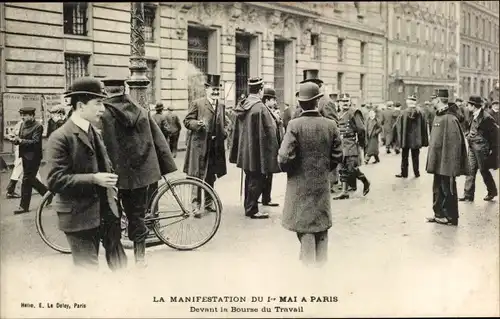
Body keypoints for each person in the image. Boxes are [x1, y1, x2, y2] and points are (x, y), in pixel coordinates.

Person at [46, 77, 127, 270]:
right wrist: (94, 179)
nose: (103, 109)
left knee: (120, 266)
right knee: (87, 272)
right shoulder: (60, 137)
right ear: (81, 106)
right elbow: (54, 180)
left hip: (106, 213)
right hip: (78, 218)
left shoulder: (94, 131)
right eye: (98, 103)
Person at [99, 77, 177, 266]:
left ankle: (118, 260)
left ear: (106, 91)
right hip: (140, 175)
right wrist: (166, 165)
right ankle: (140, 259)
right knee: (138, 216)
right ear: (123, 88)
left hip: (114, 176)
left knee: (112, 216)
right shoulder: (141, 111)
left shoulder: (102, 115)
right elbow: (158, 140)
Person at [278, 81, 343, 266]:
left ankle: (309, 274)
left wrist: (292, 171)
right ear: (317, 102)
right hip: (321, 183)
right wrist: (323, 169)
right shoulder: (330, 125)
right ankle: (321, 266)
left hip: (300, 184)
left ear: (300, 103)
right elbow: (338, 155)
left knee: (305, 225)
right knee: (321, 224)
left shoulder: (294, 125)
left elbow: (284, 157)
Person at [229, 77, 280, 219]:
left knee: (249, 178)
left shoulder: (243, 104)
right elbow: (270, 130)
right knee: (257, 179)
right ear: (260, 90)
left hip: (245, 151)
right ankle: (252, 209)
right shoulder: (260, 107)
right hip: (258, 151)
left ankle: (248, 205)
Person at [184, 74, 228, 216]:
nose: (215, 92)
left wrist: (224, 133)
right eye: (213, 90)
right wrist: (197, 124)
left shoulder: (221, 106)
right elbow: (187, 121)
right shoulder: (198, 103)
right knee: (197, 175)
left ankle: (209, 203)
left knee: (210, 175)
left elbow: (225, 123)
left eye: (217, 90)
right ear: (206, 89)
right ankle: (195, 206)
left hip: (214, 147)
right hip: (199, 146)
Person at [426, 94, 469, 226]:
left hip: (446, 163)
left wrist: (451, 166)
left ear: (438, 100)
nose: (431, 101)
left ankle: (450, 216)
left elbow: (455, 144)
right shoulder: (439, 115)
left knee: (447, 188)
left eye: (433, 99)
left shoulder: (450, 119)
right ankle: (439, 214)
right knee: (438, 188)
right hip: (439, 161)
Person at [459, 95, 499, 202]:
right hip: (472, 147)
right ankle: (468, 194)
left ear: (474, 106)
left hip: (482, 148)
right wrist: (468, 135)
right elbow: (466, 127)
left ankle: (492, 191)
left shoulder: (486, 118)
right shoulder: (472, 114)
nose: (467, 106)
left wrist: (492, 150)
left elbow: (495, 134)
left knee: (483, 170)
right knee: (470, 170)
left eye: (469, 105)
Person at [11, 107, 48, 214]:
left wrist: (21, 140)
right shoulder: (23, 124)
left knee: (26, 180)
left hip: (34, 157)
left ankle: (23, 207)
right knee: (31, 179)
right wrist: (15, 140)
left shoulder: (38, 126)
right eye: (22, 115)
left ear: (32, 116)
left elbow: (35, 142)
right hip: (24, 156)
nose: (22, 117)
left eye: (25, 115)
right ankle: (47, 193)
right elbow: (21, 138)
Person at [333, 93, 370, 200]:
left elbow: (362, 129)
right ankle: (344, 191)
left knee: (351, 168)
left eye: (347, 101)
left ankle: (365, 181)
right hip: (341, 144)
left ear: (350, 102)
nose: (345, 103)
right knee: (342, 168)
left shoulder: (354, 112)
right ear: (339, 103)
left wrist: (361, 142)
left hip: (351, 143)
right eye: (342, 101)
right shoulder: (338, 114)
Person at [258, 87, 283, 207]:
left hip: (272, 148)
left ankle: (266, 198)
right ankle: (264, 198)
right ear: (267, 100)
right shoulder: (265, 111)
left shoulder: (271, 111)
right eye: (273, 99)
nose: (275, 102)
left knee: (269, 174)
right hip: (267, 149)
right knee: (265, 175)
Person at [5, 120, 43, 199]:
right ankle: (10, 190)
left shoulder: (31, 124)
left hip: (27, 150)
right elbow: (11, 135)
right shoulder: (21, 124)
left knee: (29, 170)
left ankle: (41, 187)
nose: (24, 117)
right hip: (22, 149)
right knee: (20, 168)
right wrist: (13, 138)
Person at [394, 95, 428, 178]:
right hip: (416, 139)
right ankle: (417, 173)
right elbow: (424, 127)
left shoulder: (403, 113)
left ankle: (404, 173)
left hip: (406, 139)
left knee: (404, 156)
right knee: (416, 157)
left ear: (408, 103)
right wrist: (423, 139)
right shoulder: (421, 113)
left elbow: (398, 127)